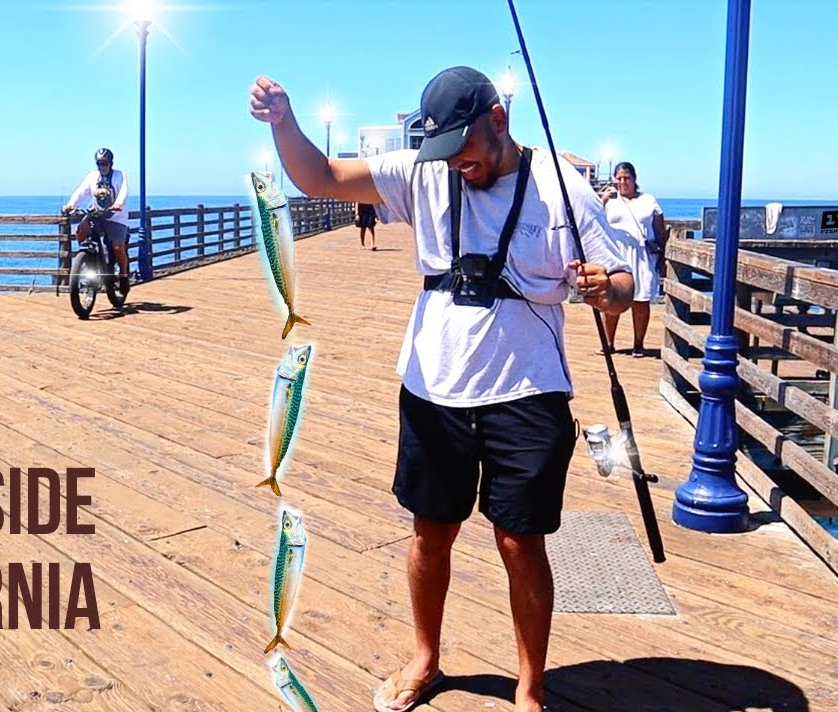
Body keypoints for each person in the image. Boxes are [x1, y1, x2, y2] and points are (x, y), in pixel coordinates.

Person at [249, 67, 633, 712]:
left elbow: (622, 283)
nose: (458, 162)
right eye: (446, 150)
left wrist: (605, 290)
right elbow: (320, 178)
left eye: (467, 148)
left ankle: (530, 689)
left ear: (499, 120)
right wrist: (284, 122)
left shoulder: (562, 188)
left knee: (520, 540)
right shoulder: (426, 170)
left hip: (529, 389)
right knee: (432, 530)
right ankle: (426, 657)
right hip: (433, 386)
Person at [599, 162, 667, 357]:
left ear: (634, 179)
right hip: (617, 254)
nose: (623, 182)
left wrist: (663, 256)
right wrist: (603, 199)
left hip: (643, 255)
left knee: (641, 300)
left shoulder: (648, 200)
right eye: (619, 178)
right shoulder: (610, 201)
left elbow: (660, 230)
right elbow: (593, 220)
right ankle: (609, 343)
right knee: (612, 299)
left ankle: (639, 344)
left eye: (626, 178)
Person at [61, 148, 132, 292]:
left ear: (111, 163)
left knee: (118, 247)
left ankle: (124, 276)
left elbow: (124, 191)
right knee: (81, 231)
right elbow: (81, 192)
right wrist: (71, 204)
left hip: (116, 217)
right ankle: (88, 257)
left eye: (104, 163)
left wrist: (118, 204)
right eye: (99, 163)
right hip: (96, 213)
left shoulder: (119, 176)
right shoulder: (92, 177)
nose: (102, 167)